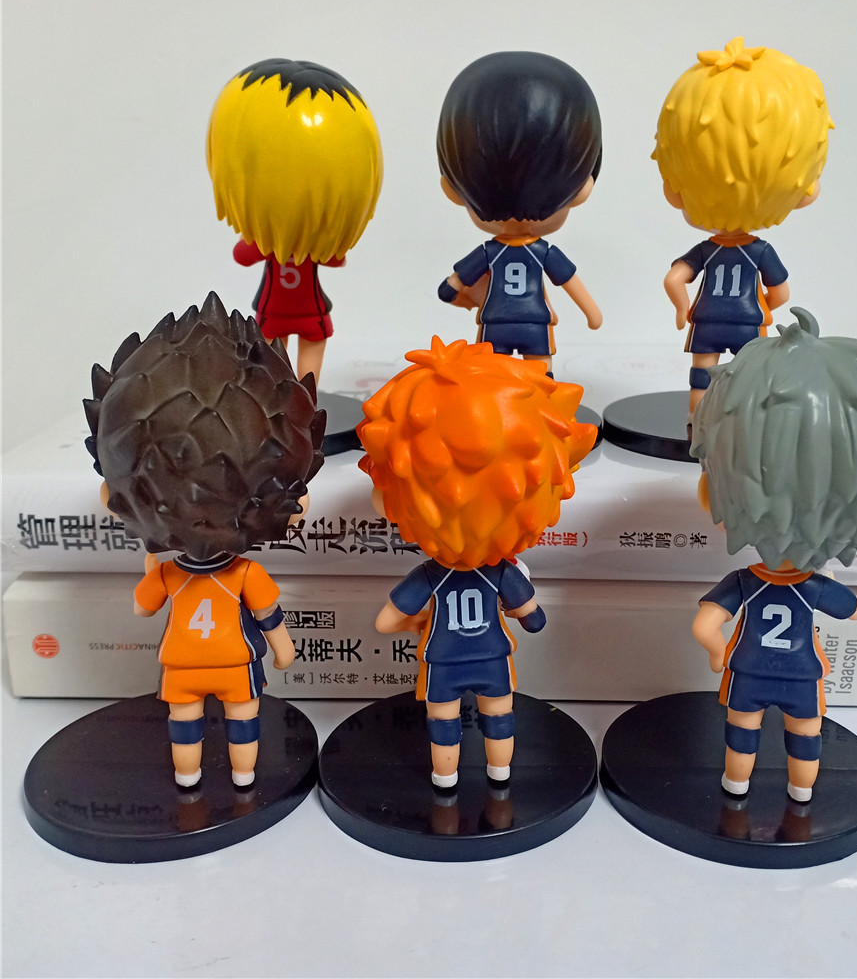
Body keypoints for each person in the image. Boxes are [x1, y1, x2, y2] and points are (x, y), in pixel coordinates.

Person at [689, 308, 857, 801]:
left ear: (710, 493)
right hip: (802, 675)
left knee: (742, 730)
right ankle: (801, 791)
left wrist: (718, 651)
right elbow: (856, 610)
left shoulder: (745, 584)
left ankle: (736, 782)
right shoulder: (816, 589)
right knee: (805, 735)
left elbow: (703, 625)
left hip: (747, 671)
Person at [84, 292, 326, 786]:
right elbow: (269, 617)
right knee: (242, 717)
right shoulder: (245, 574)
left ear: (113, 496)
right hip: (236, 664)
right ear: (294, 503)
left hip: (182, 666)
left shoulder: (172, 576)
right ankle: (242, 775)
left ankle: (191, 775)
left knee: (185, 721)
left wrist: (152, 561)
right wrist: (283, 650)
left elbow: (142, 608)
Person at [358, 337, 596, 786]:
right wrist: (522, 609)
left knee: (443, 721)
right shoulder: (502, 575)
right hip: (493, 657)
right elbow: (535, 620)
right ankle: (499, 771)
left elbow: (385, 622)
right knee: (499, 715)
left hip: (441, 660)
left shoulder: (429, 576)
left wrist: (419, 623)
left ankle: (444, 777)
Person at [652, 38, 834, 413]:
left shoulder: (706, 251)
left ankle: (696, 425)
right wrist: (761, 305)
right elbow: (781, 294)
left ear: (675, 190)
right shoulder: (760, 252)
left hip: (706, 321)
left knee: (702, 378)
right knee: (748, 382)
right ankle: (739, 428)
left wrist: (682, 310)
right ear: (806, 190)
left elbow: (673, 279)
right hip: (750, 324)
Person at [207, 58, 383, 381]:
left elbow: (241, 254)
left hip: (274, 311)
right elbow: (337, 259)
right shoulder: (312, 245)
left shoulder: (264, 244)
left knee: (277, 358)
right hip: (309, 311)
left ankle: (293, 392)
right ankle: (303, 392)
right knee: (300, 352)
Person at [436, 52, 603, 374]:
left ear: (453, 189)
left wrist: (459, 293)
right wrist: (592, 313)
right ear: (583, 188)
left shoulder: (489, 253)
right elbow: (570, 282)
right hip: (535, 323)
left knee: (494, 376)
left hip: (495, 322)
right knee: (540, 375)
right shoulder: (543, 253)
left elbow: (450, 288)